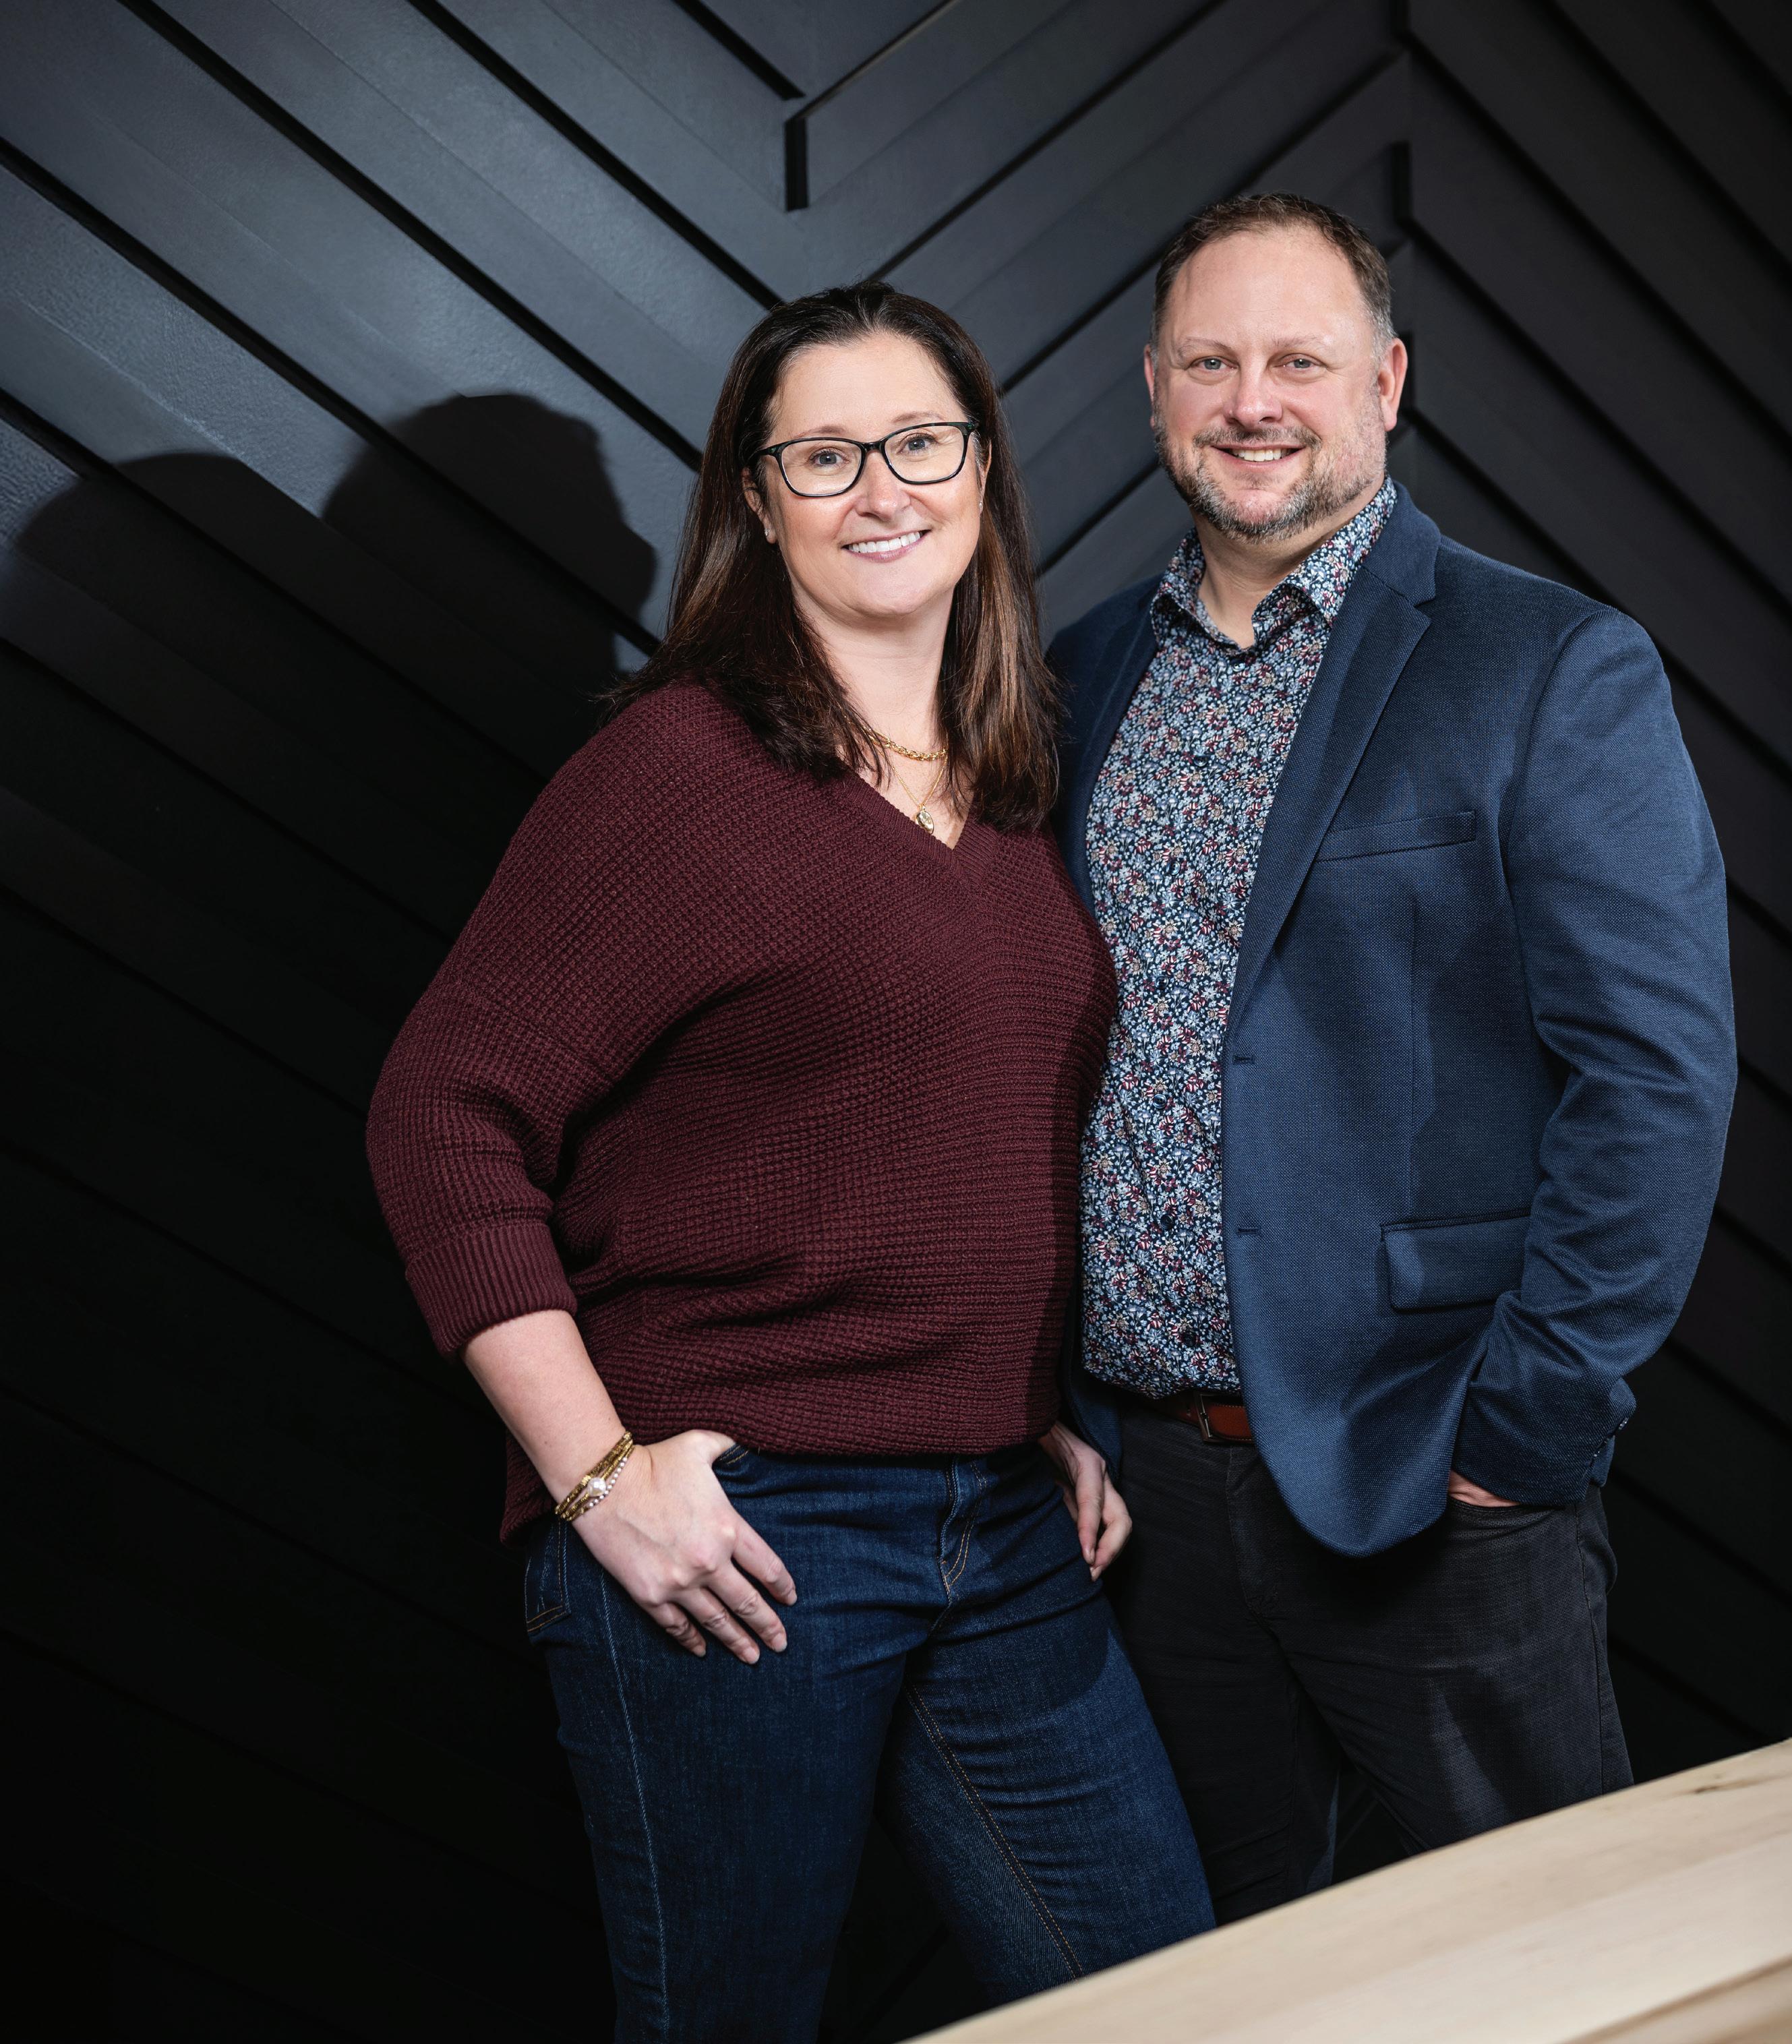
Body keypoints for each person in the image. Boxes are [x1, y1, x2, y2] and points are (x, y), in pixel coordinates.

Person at [366, 282, 1213, 2041]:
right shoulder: (678, 771)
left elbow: (953, 1133)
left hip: (1001, 1518)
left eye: (918, 443)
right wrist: (598, 1479)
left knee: (1167, 2010)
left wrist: (1036, 1401)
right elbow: (442, 1113)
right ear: (757, 501)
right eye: (822, 456)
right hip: (748, 1524)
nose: (879, 489)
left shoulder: (1011, 780)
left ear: (981, 472)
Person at [1048, 193, 1735, 1922]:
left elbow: (1654, 1080)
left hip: (1431, 1470)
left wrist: (1522, 1429)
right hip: (1145, 1491)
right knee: (1219, 1986)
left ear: (1386, 382)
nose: (1251, 401)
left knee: (1550, 1971)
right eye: (1210, 360)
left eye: (1298, 359)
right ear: (1153, 387)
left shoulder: (1545, 664)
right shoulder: (1081, 674)